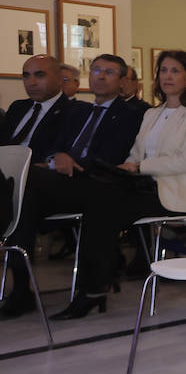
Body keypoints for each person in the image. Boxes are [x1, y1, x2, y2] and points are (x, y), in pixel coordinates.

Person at [52, 50, 186, 320]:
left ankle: (94, 287)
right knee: (98, 196)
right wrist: (126, 168)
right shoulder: (152, 113)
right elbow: (135, 155)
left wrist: (138, 168)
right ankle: (94, 284)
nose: (167, 76)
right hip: (141, 186)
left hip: (173, 193)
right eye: (163, 70)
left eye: (175, 70)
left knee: (103, 204)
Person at [0, 54, 142, 319]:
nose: (100, 76)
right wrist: (56, 158)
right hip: (62, 182)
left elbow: (112, 155)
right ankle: (21, 288)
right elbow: (58, 145)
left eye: (109, 72)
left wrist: (58, 163)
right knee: (24, 195)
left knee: (24, 184)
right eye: (96, 70)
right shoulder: (81, 111)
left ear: (123, 81)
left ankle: (26, 288)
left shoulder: (132, 114)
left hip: (96, 182)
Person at [1, 55, 75, 158]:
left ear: (59, 79)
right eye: (26, 76)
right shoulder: (17, 107)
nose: (31, 83)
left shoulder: (72, 111)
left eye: (40, 75)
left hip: (38, 170)